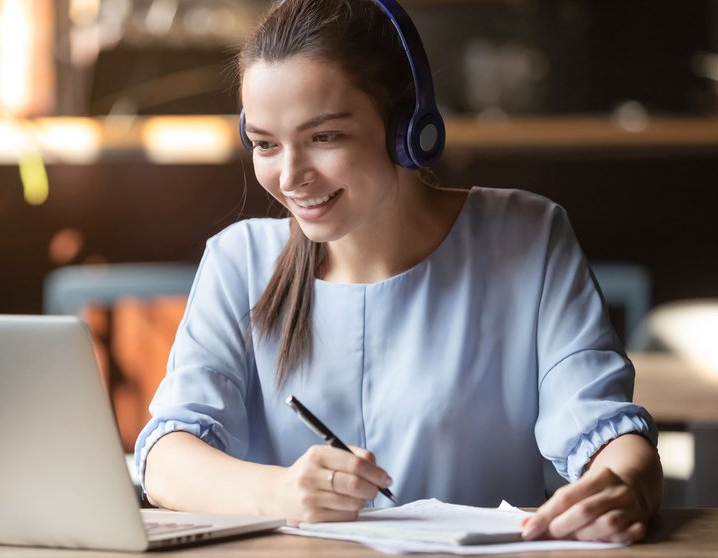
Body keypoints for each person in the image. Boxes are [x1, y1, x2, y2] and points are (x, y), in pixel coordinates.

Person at [135, 0, 663, 543]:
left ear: (408, 128)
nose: (290, 177)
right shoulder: (239, 260)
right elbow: (165, 460)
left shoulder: (526, 237)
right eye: (266, 144)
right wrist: (283, 493)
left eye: (324, 138)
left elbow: (600, 426)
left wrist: (625, 485)